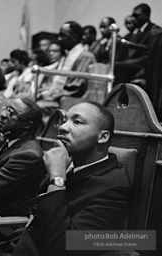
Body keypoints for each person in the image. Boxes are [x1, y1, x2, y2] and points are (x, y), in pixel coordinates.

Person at [10, 101, 133, 256]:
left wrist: (57, 178)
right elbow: (35, 214)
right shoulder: (69, 164)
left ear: (102, 137)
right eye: (64, 121)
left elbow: (62, 248)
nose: (62, 127)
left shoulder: (114, 188)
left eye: (77, 122)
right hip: (17, 244)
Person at [0, 97, 46, 244]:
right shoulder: (11, 142)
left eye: (11, 112)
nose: (3, 114)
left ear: (27, 126)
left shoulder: (28, 155)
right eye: (5, 109)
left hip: (4, 228)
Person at [37, 21, 96, 132]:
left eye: (62, 35)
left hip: (72, 99)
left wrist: (56, 94)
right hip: (59, 96)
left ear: (73, 37)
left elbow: (78, 86)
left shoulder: (85, 56)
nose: (59, 38)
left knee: (35, 109)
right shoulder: (68, 54)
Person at [115, 3, 160, 86]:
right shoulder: (137, 31)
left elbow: (150, 54)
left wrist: (127, 62)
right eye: (133, 15)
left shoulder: (154, 30)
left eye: (137, 15)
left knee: (118, 66)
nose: (133, 19)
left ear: (146, 15)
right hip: (133, 63)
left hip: (144, 66)